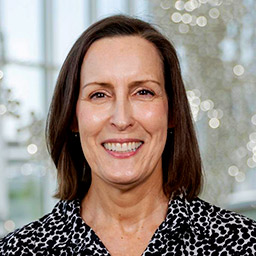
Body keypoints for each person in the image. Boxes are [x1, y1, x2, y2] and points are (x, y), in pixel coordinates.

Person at [0, 14, 256, 256]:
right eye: (99, 94)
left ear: (172, 112)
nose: (122, 120)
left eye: (143, 92)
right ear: (72, 118)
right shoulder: (16, 250)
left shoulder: (245, 244)